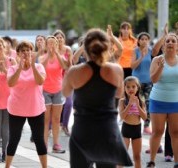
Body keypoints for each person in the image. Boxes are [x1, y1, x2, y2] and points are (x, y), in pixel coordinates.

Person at [62, 28, 132, 168]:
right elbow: (119, 94)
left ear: (85, 48)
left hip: (82, 130)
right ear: (107, 47)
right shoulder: (116, 69)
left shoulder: (75, 71)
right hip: (107, 130)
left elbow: (65, 93)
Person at [5, 41, 47, 168]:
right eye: (22, 51)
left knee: (39, 139)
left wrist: (33, 65)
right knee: (14, 139)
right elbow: (11, 83)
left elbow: (40, 81)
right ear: (17, 53)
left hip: (36, 109)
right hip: (16, 109)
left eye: (28, 50)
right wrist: (19, 68)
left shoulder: (39, 67)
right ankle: (7, 166)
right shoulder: (12, 69)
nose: (26, 53)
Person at [146, 32, 178, 168]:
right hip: (158, 100)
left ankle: (177, 162)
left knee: (175, 132)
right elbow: (153, 79)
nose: (170, 43)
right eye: (167, 41)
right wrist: (161, 66)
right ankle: (152, 161)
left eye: (173, 41)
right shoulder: (157, 60)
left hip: (175, 102)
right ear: (163, 45)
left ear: (177, 45)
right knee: (157, 131)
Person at [39, 36, 68, 153]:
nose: (51, 45)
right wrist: (48, 55)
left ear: (57, 45)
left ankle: (56, 144)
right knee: (46, 120)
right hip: (45, 90)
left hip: (58, 90)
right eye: (49, 43)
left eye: (54, 43)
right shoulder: (42, 57)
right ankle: (44, 145)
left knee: (56, 119)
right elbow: (43, 67)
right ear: (46, 45)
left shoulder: (60, 57)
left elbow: (64, 66)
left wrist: (56, 53)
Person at [119, 76, 147, 168]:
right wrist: (129, 104)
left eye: (133, 86)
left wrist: (138, 105)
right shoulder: (122, 101)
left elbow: (144, 117)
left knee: (137, 157)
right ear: (124, 88)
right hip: (126, 129)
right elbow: (122, 117)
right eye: (128, 87)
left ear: (137, 88)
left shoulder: (141, 102)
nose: (130, 89)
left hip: (137, 130)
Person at [130, 32, 153, 135]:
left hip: (148, 82)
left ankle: (146, 126)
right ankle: (135, 124)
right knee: (138, 104)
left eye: (146, 39)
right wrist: (141, 57)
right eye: (142, 39)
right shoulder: (135, 51)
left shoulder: (151, 51)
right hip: (137, 83)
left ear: (148, 41)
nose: (144, 41)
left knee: (148, 103)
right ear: (138, 41)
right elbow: (132, 66)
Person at [53, 30, 73, 136]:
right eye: (57, 38)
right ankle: (52, 126)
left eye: (61, 37)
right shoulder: (51, 51)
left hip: (66, 80)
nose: (59, 39)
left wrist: (69, 57)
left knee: (68, 103)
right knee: (55, 104)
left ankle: (65, 125)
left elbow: (70, 66)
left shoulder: (68, 49)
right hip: (54, 81)